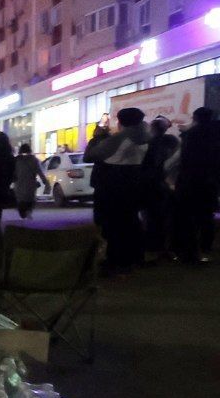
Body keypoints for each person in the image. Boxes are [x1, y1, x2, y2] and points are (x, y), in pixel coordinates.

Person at [85, 106, 150, 274]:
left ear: (120, 122)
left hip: (114, 184)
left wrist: (98, 138)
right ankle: (134, 257)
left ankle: (115, 260)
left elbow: (92, 155)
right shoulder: (147, 137)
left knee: (111, 224)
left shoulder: (121, 138)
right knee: (130, 221)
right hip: (134, 182)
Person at [171, 106, 220, 263]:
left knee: (188, 216)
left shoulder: (192, 135)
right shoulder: (216, 133)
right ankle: (206, 246)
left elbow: (185, 159)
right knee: (206, 214)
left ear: (196, 118)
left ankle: (190, 251)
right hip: (210, 180)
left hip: (192, 179)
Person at [141, 115, 179, 259]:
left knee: (150, 217)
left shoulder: (148, 144)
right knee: (163, 218)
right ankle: (163, 247)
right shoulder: (171, 141)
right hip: (164, 185)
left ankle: (152, 246)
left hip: (151, 185)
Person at [13, 143, 48, 219]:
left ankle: (23, 217)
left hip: (19, 187)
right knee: (29, 203)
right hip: (31, 186)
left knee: (21, 205)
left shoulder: (16, 160)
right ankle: (28, 214)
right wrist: (46, 182)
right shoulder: (34, 160)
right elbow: (40, 172)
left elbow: (12, 173)